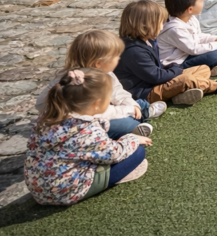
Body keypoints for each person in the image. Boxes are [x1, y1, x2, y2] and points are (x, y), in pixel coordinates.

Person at [25, 68, 151, 205]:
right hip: (64, 192)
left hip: (38, 187)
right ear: (96, 103)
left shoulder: (48, 116)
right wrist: (133, 139)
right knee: (138, 152)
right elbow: (114, 154)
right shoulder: (86, 130)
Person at [35, 30, 164, 141]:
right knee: (126, 122)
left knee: (138, 103)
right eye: (116, 56)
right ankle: (134, 126)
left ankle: (143, 111)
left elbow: (118, 91)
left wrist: (130, 103)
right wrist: (127, 110)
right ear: (99, 63)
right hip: (85, 124)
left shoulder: (106, 73)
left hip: (105, 111)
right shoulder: (78, 82)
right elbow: (101, 113)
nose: (119, 59)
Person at [114, 0, 217, 107]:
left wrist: (173, 69)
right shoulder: (133, 51)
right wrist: (176, 69)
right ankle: (216, 85)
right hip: (146, 92)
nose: (163, 26)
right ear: (147, 25)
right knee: (186, 79)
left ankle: (180, 93)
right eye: (161, 23)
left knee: (204, 69)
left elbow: (157, 71)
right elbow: (156, 77)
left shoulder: (148, 40)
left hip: (156, 81)